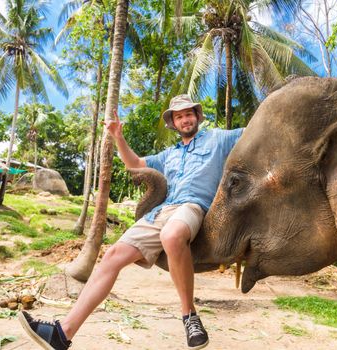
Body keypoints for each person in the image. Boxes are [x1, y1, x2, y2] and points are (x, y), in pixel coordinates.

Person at [19, 94, 243, 350]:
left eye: (189, 113)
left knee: (171, 235)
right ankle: (61, 333)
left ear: (197, 116)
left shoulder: (219, 138)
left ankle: (189, 316)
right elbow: (134, 164)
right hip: (160, 212)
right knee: (112, 255)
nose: (185, 119)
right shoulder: (169, 154)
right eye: (179, 116)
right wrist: (118, 137)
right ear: (173, 123)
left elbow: (256, 131)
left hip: (193, 207)